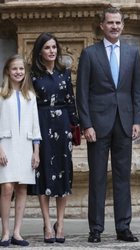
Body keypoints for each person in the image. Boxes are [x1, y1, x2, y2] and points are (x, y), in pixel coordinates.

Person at [76, 7, 140, 243]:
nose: (114, 26)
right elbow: (81, 93)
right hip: (97, 124)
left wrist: (137, 120)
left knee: (123, 176)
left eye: (118, 23)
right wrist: (86, 124)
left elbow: (137, 90)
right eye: (110, 23)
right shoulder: (89, 53)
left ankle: (123, 227)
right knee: (97, 178)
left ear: (122, 26)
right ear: (102, 26)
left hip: (125, 123)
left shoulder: (133, 53)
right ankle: (96, 228)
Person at [28, 32, 79, 244]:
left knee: (63, 172)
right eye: (47, 47)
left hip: (62, 124)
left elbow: (70, 100)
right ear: (40, 50)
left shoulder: (64, 73)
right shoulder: (32, 75)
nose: (51, 51)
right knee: (44, 174)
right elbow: (29, 103)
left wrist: (75, 126)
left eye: (54, 47)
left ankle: (61, 223)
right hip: (41, 123)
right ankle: (47, 224)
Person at [0, 54, 41, 247]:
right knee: (7, 187)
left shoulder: (30, 96)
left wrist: (36, 151)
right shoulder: (1, 94)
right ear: (8, 71)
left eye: (21, 69)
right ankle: (5, 231)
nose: (18, 72)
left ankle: (17, 232)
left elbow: (35, 126)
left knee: (22, 187)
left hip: (25, 146)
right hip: (6, 145)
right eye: (14, 69)